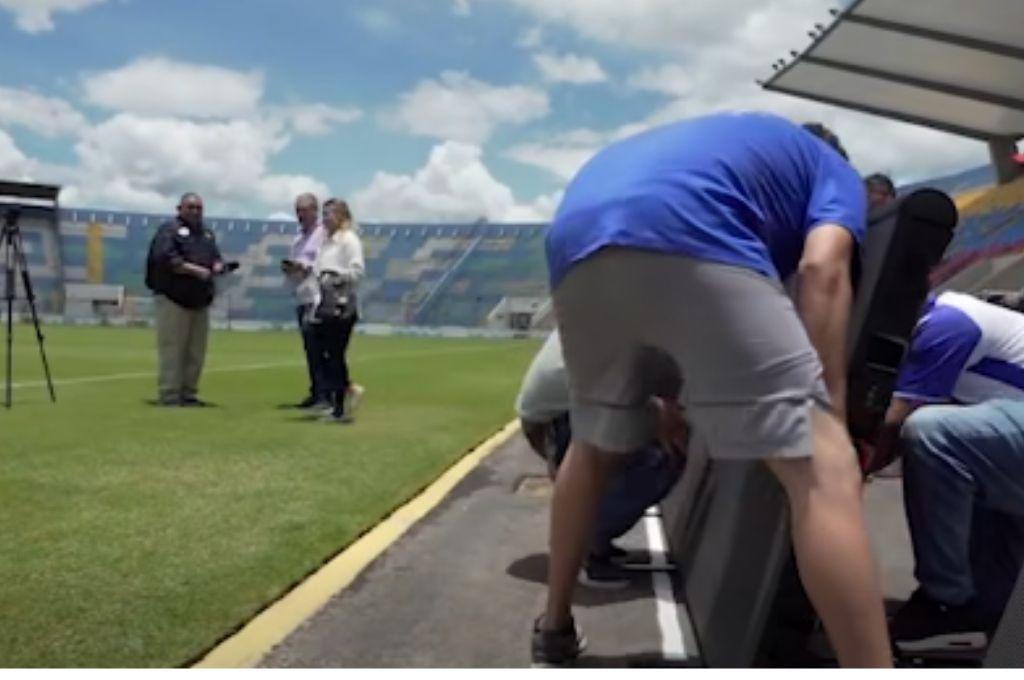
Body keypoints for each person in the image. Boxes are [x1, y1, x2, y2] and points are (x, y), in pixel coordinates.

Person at [534, 112, 891, 667]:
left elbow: (685, 317)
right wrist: (832, 412)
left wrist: (677, 399)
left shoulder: (733, 147)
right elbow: (822, 269)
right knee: (824, 470)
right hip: (690, 227)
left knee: (593, 446)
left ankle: (553, 626)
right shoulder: (834, 170)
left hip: (575, 245)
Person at [863, 291, 1024, 655]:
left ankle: (947, 602)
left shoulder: (946, 325)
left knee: (934, 436)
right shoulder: (949, 315)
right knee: (969, 450)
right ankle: (971, 619)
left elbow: (894, 424)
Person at [516, 331, 686, 587]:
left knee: (644, 444)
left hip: (553, 419)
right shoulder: (643, 334)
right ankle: (589, 545)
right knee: (665, 457)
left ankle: (591, 540)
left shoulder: (608, 312)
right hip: (563, 418)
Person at [145, 192, 224, 407]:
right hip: (173, 298)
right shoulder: (169, 230)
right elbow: (166, 259)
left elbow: (215, 257)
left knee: (195, 351)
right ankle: (170, 394)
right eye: (190, 207)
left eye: (199, 208)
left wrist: (217, 266)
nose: (195, 211)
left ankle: (189, 393)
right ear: (179, 208)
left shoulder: (206, 234)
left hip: (199, 300)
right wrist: (196, 271)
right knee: (173, 348)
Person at [308, 199, 365, 423]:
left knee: (335, 354)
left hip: (342, 305)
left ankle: (339, 406)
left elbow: (357, 271)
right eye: (324, 214)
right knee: (326, 354)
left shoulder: (348, 240)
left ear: (341, 216)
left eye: (329, 214)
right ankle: (341, 395)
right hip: (325, 304)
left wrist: (337, 279)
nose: (325, 218)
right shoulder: (326, 242)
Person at [282, 192, 327, 409]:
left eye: (304, 210)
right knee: (310, 347)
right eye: (297, 211)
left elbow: (322, 261)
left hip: (318, 295)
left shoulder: (323, 233)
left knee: (320, 346)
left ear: (314, 210)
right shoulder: (298, 237)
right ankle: (316, 390)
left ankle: (326, 393)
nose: (300, 215)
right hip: (302, 294)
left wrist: (305, 266)